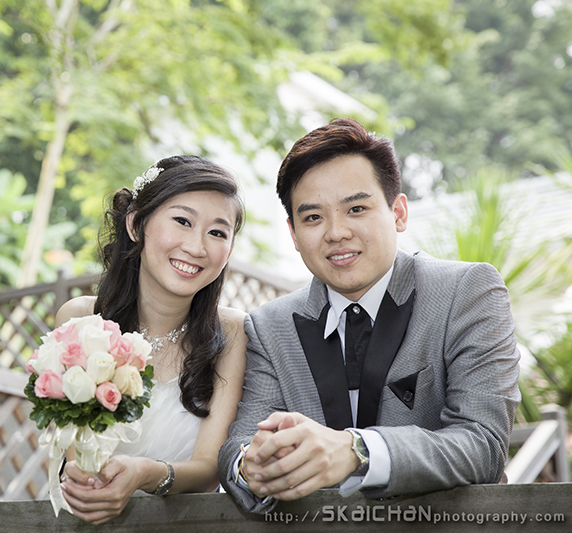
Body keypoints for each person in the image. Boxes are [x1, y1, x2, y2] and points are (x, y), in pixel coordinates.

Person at [218, 118, 521, 514]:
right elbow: (238, 447)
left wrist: (357, 451)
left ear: (398, 213)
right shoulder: (269, 325)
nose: (336, 232)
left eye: (356, 208)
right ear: (293, 234)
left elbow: (483, 443)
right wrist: (251, 467)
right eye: (313, 218)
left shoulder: (466, 292)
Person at [55, 155, 248, 524]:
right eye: (182, 221)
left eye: (218, 232)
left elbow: (208, 469)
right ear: (135, 224)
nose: (197, 247)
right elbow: (76, 459)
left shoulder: (234, 332)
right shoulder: (80, 319)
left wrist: (146, 473)